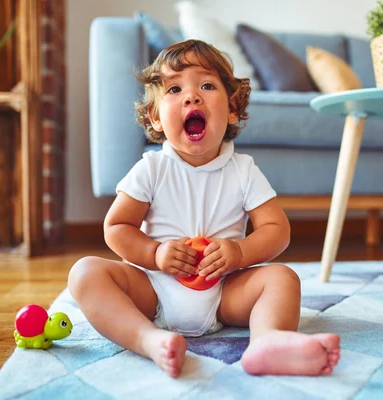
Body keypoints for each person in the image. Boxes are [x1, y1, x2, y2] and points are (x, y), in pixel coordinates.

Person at [68, 39, 340, 378]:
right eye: (175, 89)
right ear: (154, 117)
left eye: (207, 85)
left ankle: (268, 342)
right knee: (85, 273)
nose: (192, 96)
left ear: (231, 110)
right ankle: (147, 339)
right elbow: (117, 227)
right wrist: (154, 254)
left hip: (225, 293)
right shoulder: (152, 169)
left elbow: (277, 230)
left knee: (282, 278)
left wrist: (239, 253)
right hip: (153, 290)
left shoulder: (243, 170)